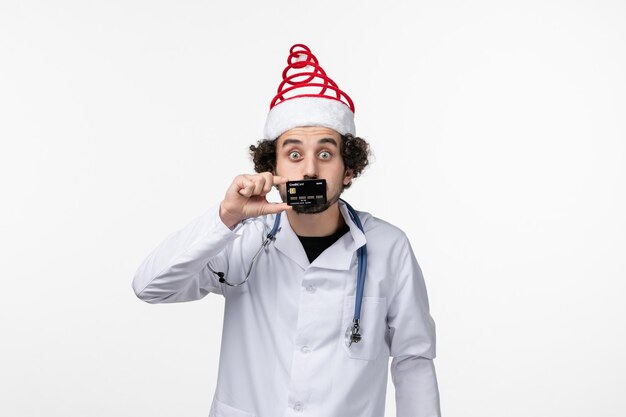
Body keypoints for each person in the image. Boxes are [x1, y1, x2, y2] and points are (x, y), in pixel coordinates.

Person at [132, 44, 441, 417]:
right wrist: (225, 217)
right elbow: (149, 287)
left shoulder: (389, 246)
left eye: (325, 154)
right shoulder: (242, 238)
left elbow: (413, 358)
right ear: (272, 169)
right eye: (294, 155)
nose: (309, 170)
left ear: (349, 170)